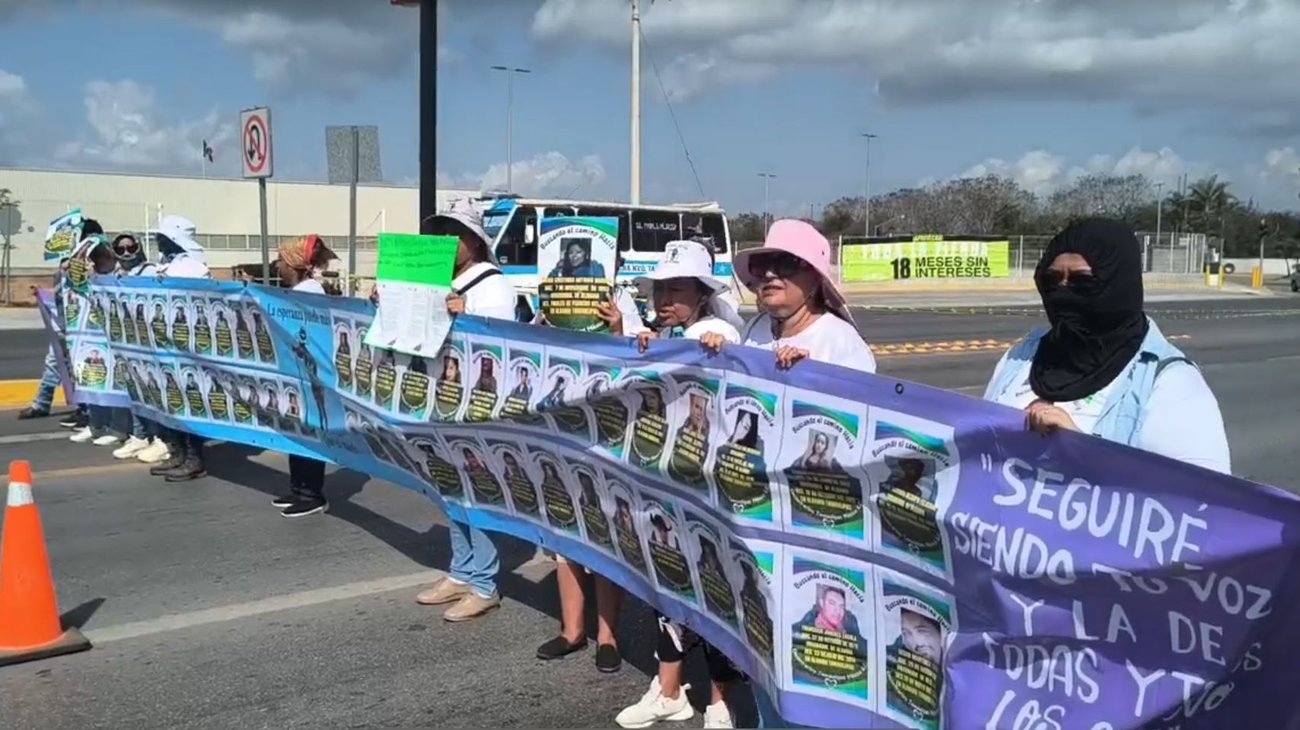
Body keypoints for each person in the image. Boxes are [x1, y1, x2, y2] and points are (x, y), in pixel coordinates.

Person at [615, 239, 745, 729]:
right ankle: (674, 691)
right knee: (674, 583)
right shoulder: (676, 332)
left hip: (705, 484)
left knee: (710, 588)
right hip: (674, 480)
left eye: (677, 289)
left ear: (702, 294)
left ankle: (719, 698)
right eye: (660, 288)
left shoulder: (711, 331)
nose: (665, 297)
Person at [983, 218, 1231, 473]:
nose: (1063, 293)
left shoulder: (1170, 383)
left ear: (1118, 284)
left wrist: (1086, 451)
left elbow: (1201, 502)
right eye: (1053, 280)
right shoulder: (1021, 357)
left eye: (1082, 281)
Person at [412, 199, 517, 622]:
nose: (442, 241)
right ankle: (461, 570)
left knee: (478, 492)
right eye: (437, 232)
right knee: (450, 489)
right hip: (444, 399)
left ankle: (484, 583)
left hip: (478, 409)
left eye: (450, 233)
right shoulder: (437, 278)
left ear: (473, 241)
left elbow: (505, 341)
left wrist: (467, 314)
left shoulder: (492, 285)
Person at [701, 219, 875, 373]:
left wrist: (811, 375)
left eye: (786, 264)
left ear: (815, 278)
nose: (769, 274)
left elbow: (860, 403)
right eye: (761, 264)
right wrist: (723, 355)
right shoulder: (755, 327)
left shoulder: (841, 341)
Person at [261, 234, 338, 517]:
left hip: (310, 377)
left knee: (310, 433)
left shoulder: (310, 293)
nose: (278, 266)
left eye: (281, 261)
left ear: (293, 265)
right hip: (295, 375)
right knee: (296, 432)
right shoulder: (298, 291)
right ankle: (299, 487)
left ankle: (312, 493)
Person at [146, 215, 213, 482]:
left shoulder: (193, 267)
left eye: (161, 237)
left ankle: (194, 458)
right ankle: (177, 452)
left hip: (187, 349)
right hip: (163, 347)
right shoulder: (166, 265)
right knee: (169, 402)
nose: (157, 241)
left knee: (189, 403)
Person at [68, 229, 131, 447]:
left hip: (113, 339)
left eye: (101, 256)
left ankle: (119, 428)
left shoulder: (121, 276)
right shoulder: (89, 278)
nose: (96, 262)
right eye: (93, 258)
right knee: (91, 380)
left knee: (116, 383)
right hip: (89, 338)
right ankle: (96, 424)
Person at [110, 233, 164, 460]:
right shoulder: (117, 274)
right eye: (120, 249)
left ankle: (161, 439)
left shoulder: (150, 271)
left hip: (149, 342)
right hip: (128, 342)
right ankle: (141, 436)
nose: (126, 253)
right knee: (134, 390)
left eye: (129, 247)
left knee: (154, 390)